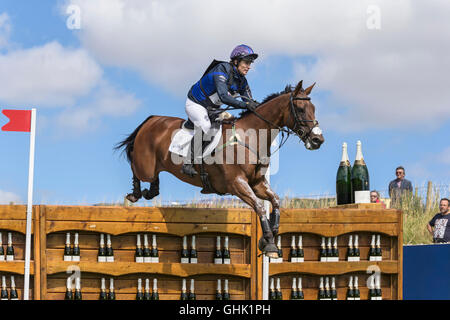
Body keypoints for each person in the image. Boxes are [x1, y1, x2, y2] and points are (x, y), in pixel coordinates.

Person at [181, 44, 260, 177]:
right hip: (196, 104)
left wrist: (257, 106)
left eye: (250, 63)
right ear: (236, 61)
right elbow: (224, 97)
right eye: (246, 62)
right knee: (206, 126)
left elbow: (249, 101)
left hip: (212, 109)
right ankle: (188, 163)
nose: (249, 66)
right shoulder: (221, 69)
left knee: (227, 128)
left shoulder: (242, 81)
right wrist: (246, 105)